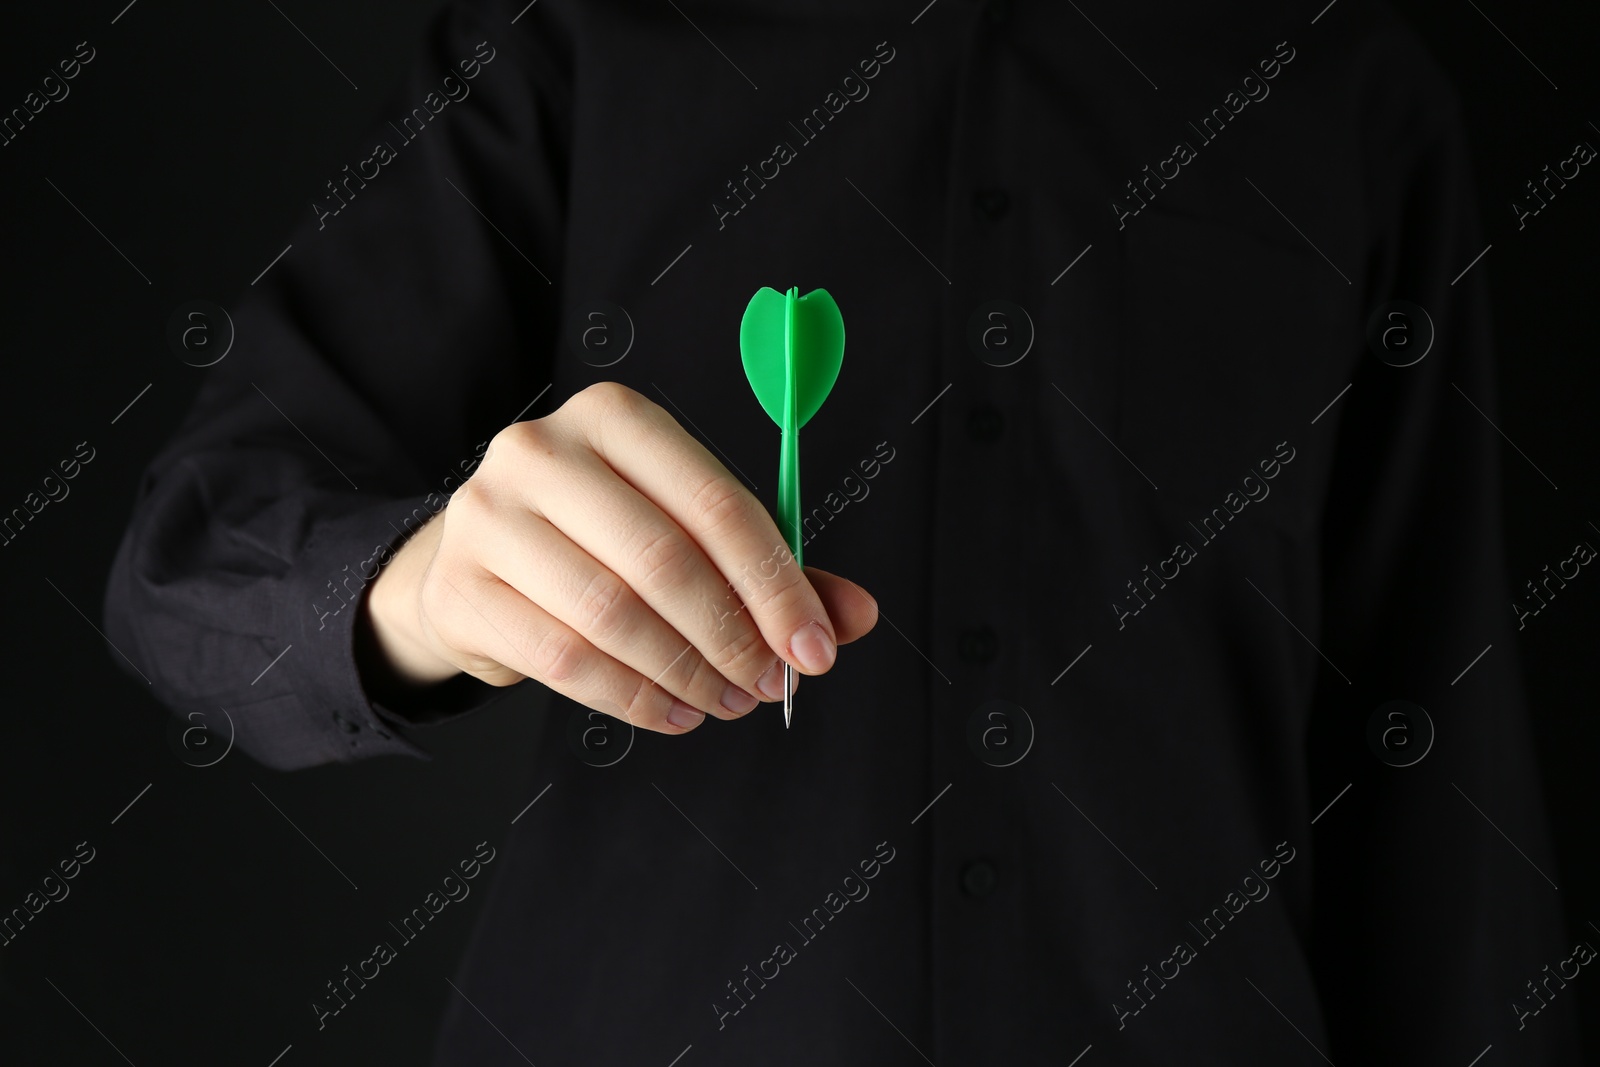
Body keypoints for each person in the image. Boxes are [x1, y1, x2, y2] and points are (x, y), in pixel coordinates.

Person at [103, 0, 1583, 1062]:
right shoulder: (578, 34)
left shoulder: (1351, 86)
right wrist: (420, 590)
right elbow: (191, 562)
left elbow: (1434, 755)